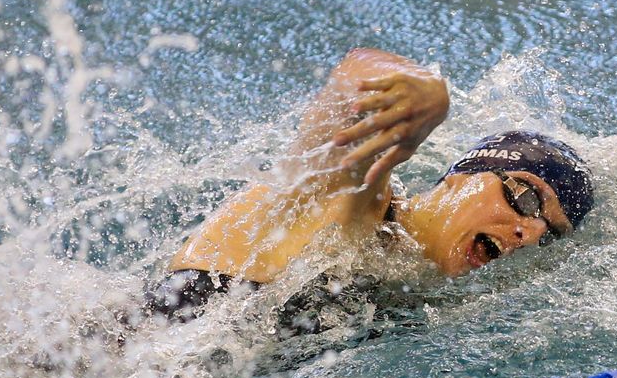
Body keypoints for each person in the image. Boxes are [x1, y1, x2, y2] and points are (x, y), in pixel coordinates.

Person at [146, 48, 594, 321]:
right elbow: (351, 78)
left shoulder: (412, 282)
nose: (530, 233)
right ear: (462, 178)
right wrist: (427, 93)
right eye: (526, 198)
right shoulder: (356, 198)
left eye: (549, 234)